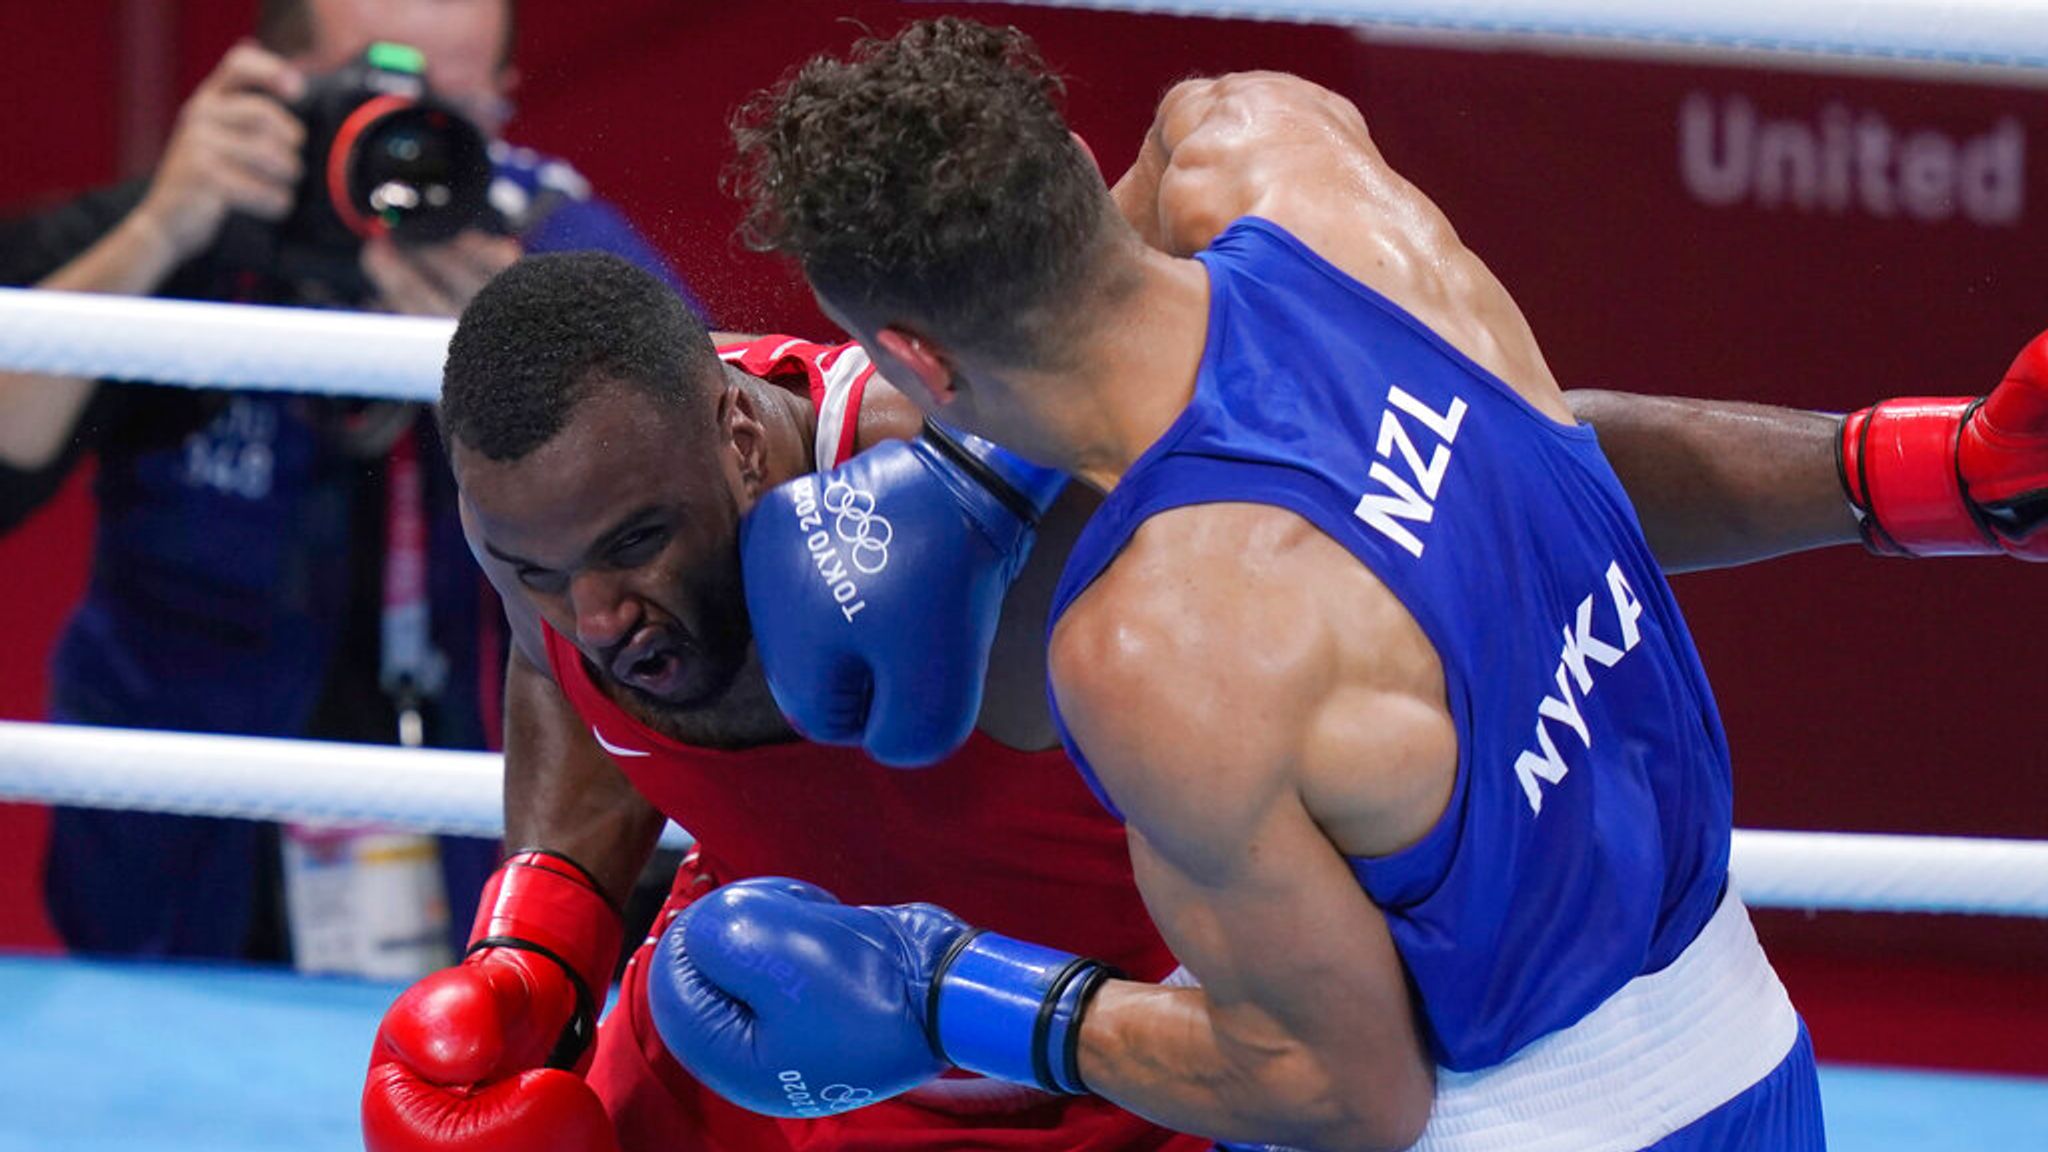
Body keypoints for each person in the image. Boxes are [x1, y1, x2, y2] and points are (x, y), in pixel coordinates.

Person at [640, 18, 2048, 1152]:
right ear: (1066, 165)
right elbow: (1190, 144)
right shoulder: (1283, 160)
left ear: (917, 360)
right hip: (1752, 1050)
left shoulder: (1157, 645)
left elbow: (1339, 1093)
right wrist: (993, 463)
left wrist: (953, 994)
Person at [363, 249, 1202, 1152]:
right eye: (543, 577)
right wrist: (540, 942)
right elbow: (554, 670)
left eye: (637, 542)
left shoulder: (970, 472)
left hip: (1121, 1060)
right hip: (753, 1030)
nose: (595, 617)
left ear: (741, 437)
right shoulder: (533, 521)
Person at [0, 0, 687, 961]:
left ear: (501, 99)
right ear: (275, 76)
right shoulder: (193, 221)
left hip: (475, 843)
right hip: (175, 860)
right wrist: (159, 225)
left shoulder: (546, 239)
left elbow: (701, 496)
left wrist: (516, 353)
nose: (413, 130)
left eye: (453, 98)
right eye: (382, 79)